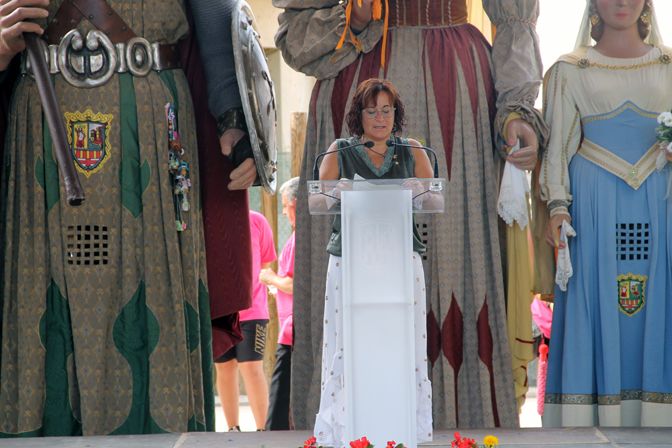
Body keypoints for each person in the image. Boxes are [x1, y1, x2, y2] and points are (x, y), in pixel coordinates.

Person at [273, 0, 547, 428]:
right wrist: (350, 19)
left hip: (453, 84)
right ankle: (350, 423)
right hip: (356, 73)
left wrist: (516, 106)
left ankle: (455, 422)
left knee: (448, 259)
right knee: (354, 267)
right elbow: (297, 36)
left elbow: (513, 15)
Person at [0, 0, 258, 436]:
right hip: (38, 122)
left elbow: (214, 8)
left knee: (153, 305)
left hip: (151, 119)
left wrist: (233, 110)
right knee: (38, 305)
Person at [540, 0, 672, 427]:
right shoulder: (569, 70)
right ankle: (594, 417)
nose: (622, 2)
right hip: (594, 206)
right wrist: (557, 207)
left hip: (661, 202)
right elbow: (557, 146)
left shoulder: (669, 65)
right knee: (599, 299)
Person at [312, 78, 433, 446]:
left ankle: (402, 428)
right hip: (352, 264)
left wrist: (417, 192)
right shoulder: (338, 151)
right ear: (358, 115)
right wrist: (337, 193)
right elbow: (316, 203)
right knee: (349, 344)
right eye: (371, 110)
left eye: (387, 110)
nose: (380, 118)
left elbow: (432, 199)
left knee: (402, 344)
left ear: (396, 114)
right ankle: (346, 429)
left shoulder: (411, 149)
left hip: (399, 265)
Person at [216, 210, 276, 432]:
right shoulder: (212, 219)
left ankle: (263, 430)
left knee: (251, 368)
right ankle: (233, 429)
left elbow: (266, 260)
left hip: (254, 309)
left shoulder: (258, 220)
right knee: (224, 367)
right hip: (220, 310)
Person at [260, 176, 299, 431]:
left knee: (279, 395)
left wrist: (269, 276)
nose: (284, 212)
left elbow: (295, 284)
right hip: (289, 327)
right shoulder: (298, 238)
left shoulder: (299, 239)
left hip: (292, 330)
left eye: (285, 206)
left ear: (295, 204)